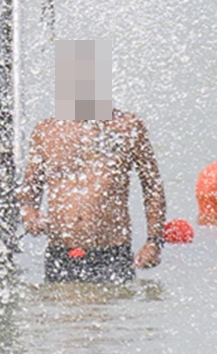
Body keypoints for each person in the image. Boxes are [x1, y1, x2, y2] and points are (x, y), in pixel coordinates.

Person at [18, 40, 166, 283]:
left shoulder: (127, 127)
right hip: (62, 252)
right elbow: (29, 191)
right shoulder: (46, 132)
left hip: (111, 252)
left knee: (113, 316)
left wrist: (154, 241)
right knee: (61, 317)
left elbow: (152, 186)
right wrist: (30, 215)